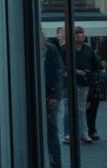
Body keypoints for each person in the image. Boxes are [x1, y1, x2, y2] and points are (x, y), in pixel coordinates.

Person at [61, 26, 102, 144]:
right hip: (69, 83)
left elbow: (96, 65)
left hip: (85, 83)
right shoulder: (65, 49)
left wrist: (91, 71)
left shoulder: (88, 49)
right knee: (69, 108)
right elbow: (61, 67)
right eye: (77, 36)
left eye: (81, 36)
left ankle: (84, 132)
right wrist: (75, 71)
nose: (80, 38)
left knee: (82, 109)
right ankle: (68, 133)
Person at [42, 31, 64, 168]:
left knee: (52, 133)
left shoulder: (51, 49)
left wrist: (56, 96)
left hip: (50, 97)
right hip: (41, 98)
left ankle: (56, 164)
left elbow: (59, 73)